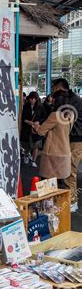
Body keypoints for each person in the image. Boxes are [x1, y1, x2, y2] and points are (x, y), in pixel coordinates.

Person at [29, 90, 74, 182]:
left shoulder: (55, 115)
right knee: (60, 183)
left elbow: (41, 131)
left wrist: (35, 126)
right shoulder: (70, 115)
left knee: (49, 184)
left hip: (52, 154)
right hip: (65, 151)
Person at [52, 78, 82, 212]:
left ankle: (73, 202)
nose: (52, 92)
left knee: (71, 170)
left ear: (58, 88)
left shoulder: (72, 100)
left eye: (53, 89)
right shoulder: (69, 98)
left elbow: (63, 118)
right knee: (65, 169)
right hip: (70, 138)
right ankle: (67, 198)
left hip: (76, 139)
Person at [20, 91, 46, 168]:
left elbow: (44, 117)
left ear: (37, 99)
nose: (33, 100)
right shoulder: (25, 106)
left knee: (36, 145)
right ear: (29, 98)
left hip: (36, 129)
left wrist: (38, 122)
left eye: (34, 98)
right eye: (31, 98)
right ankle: (26, 156)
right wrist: (27, 121)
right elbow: (22, 117)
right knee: (26, 144)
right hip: (27, 129)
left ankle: (33, 160)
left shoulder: (40, 107)